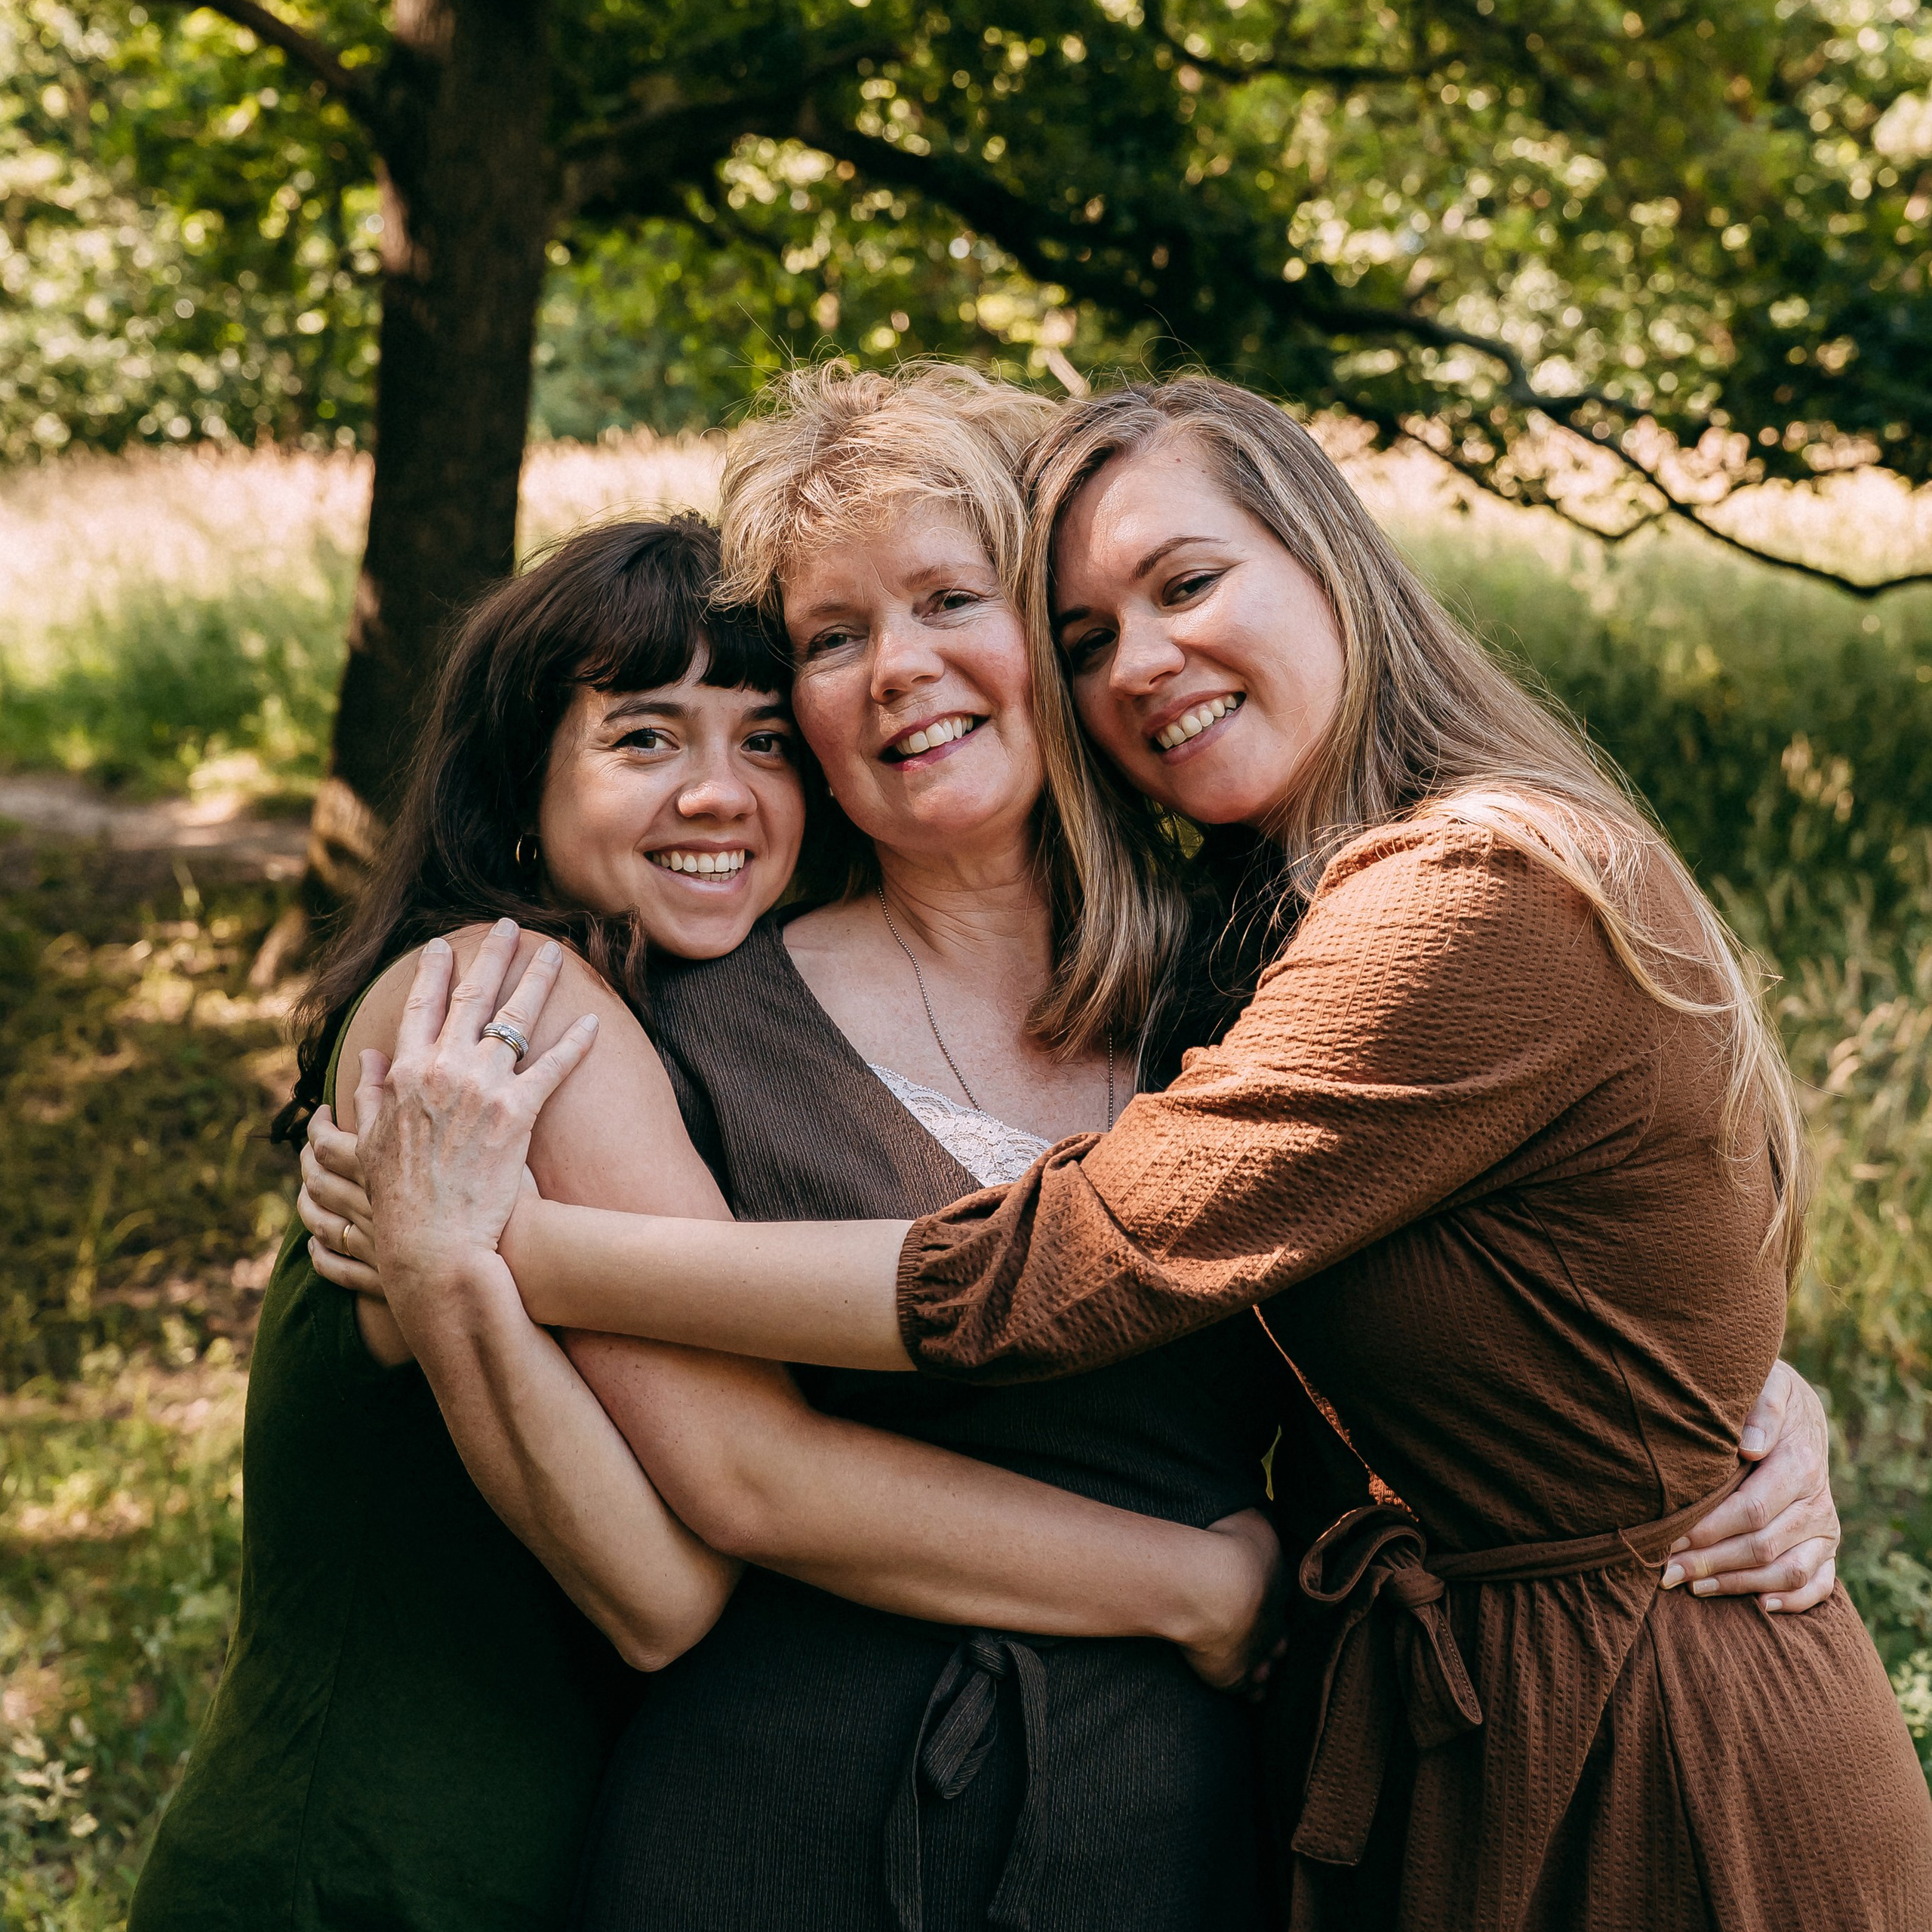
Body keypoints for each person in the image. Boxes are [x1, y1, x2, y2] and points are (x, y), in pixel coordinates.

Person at [310, 374, 1865, 1927]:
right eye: (833, 639)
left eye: (948, 600)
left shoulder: (1261, 972)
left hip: (1175, 1826)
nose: (896, 670)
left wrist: (1732, 1406)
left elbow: (1474, 1291)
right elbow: (721, 1479)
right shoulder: (682, 1012)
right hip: (780, 1816)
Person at [131, 512, 1284, 1932]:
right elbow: (674, 1582)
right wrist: (1194, 1582)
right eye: (644, 739)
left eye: (763, 742)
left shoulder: (636, 1012)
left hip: (507, 1848)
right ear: (513, 794)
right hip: (369, 1866)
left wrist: (483, 1265)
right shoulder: (508, 1002)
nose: (720, 793)